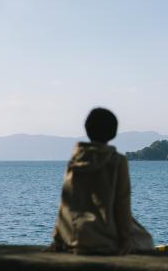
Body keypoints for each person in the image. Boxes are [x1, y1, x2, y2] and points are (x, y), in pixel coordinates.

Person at [47, 107, 154, 255]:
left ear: (87, 129)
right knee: (146, 240)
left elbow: (66, 201)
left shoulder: (75, 160)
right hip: (103, 237)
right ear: (113, 132)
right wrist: (125, 238)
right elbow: (121, 203)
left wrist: (58, 238)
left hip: (72, 235)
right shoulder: (117, 161)